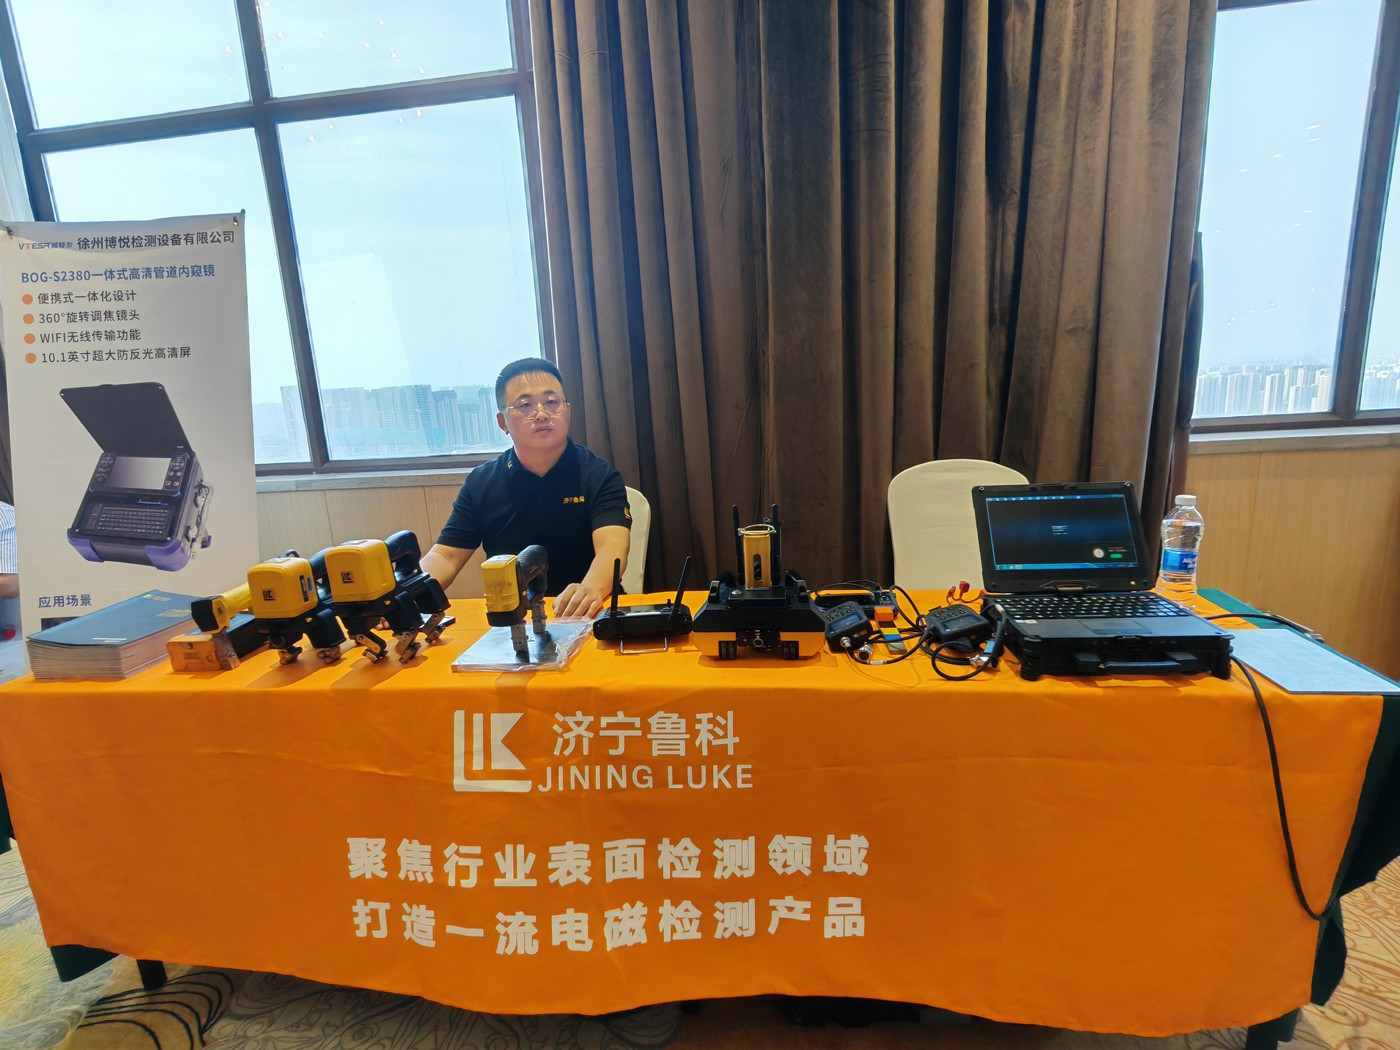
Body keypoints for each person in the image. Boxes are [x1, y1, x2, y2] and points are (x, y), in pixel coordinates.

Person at [421, 358, 631, 619]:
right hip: (512, 618)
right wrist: (411, 592)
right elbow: (447, 556)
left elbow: (612, 546)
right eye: (525, 405)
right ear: (502, 422)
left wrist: (590, 589)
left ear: (567, 411)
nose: (541, 414)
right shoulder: (481, 482)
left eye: (552, 402)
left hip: (590, 611)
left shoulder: (599, 475)